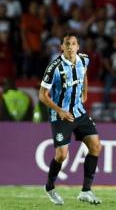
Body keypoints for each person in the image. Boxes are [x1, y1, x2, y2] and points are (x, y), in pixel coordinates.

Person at [39, 32, 102, 205]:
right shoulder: (54, 68)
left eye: (73, 44)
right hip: (61, 115)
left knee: (96, 146)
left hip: (79, 112)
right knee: (61, 155)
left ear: (78, 46)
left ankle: (86, 191)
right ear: (61, 47)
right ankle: (50, 186)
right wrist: (59, 110)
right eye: (67, 44)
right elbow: (42, 95)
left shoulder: (84, 60)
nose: (70, 47)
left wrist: (84, 92)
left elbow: (85, 75)